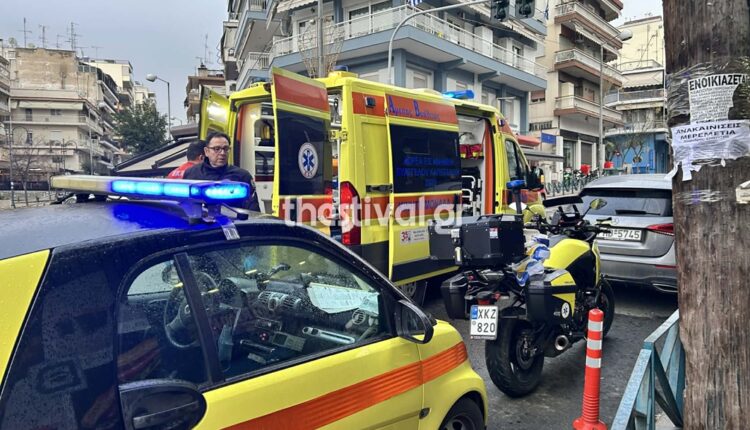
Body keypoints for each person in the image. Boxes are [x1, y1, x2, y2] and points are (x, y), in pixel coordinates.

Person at [183, 132, 260, 211]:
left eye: (226, 149)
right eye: (217, 149)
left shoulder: (242, 176)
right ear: (206, 151)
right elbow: (184, 205)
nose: (222, 153)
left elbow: (253, 210)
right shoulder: (191, 173)